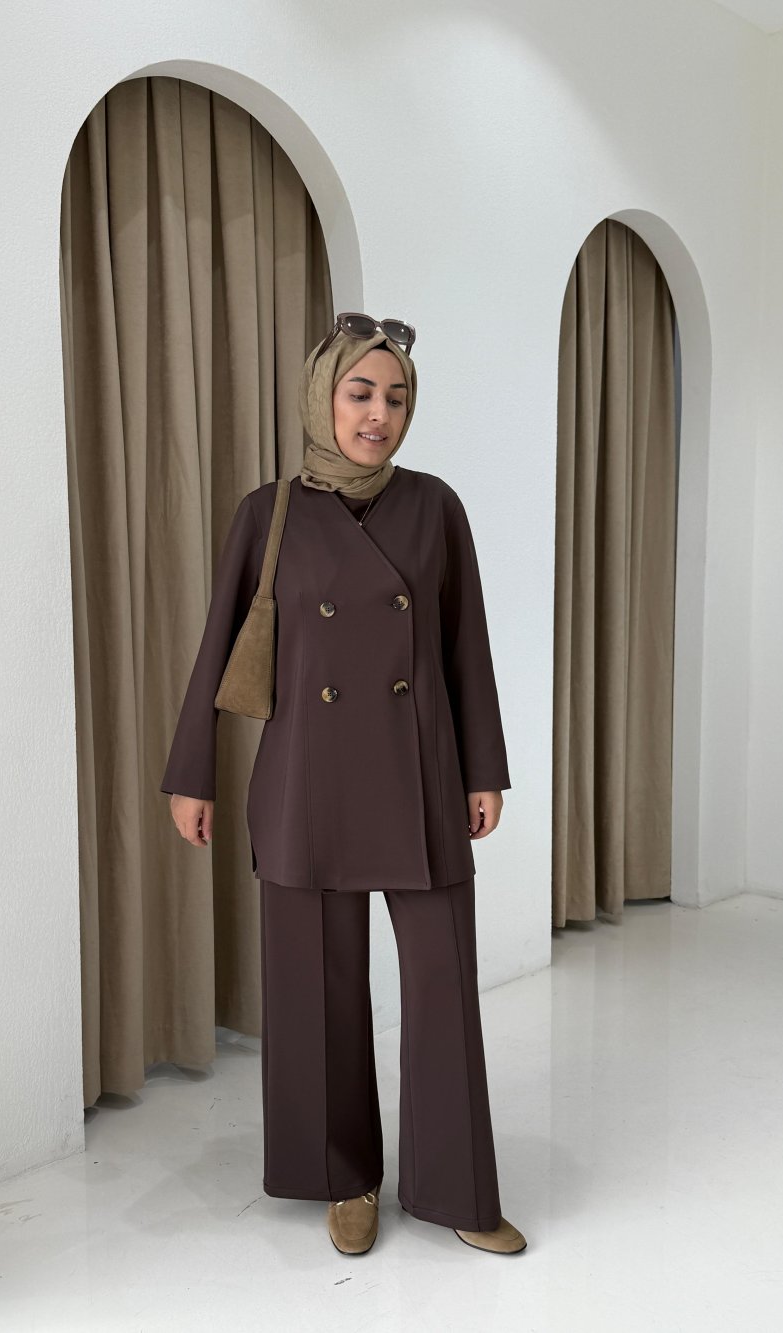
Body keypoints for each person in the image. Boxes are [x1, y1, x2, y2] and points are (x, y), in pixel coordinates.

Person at [161, 313, 527, 1256]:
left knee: (443, 983)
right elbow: (217, 647)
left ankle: (458, 1187)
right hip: (307, 778)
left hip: (420, 771)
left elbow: (466, 646)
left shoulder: (435, 506)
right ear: (323, 397)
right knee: (315, 991)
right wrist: (192, 772)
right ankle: (343, 1178)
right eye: (360, 393)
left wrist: (484, 767)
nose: (378, 414)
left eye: (395, 398)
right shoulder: (269, 510)